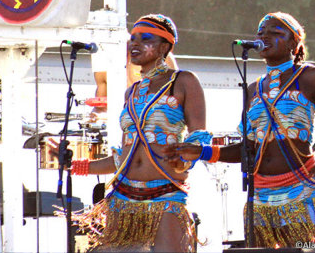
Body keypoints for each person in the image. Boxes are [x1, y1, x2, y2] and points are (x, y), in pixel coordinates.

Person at [165, 12, 315, 249]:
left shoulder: (312, 77)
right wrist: (201, 151)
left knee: (308, 249)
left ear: (294, 44)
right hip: (260, 197)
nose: (264, 37)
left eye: (276, 33)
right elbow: (247, 149)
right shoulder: (253, 89)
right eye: (260, 33)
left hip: (301, 188)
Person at [70, 14, 210, 252]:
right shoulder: (132, 93)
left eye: (145, 39)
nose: (134, 44)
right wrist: (74, 165)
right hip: (123, 197)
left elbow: (199, 135)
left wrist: (185, 160)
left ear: (165, 46)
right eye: (133, 39)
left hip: (165, 196)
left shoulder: (183, 81)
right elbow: (124, 156)